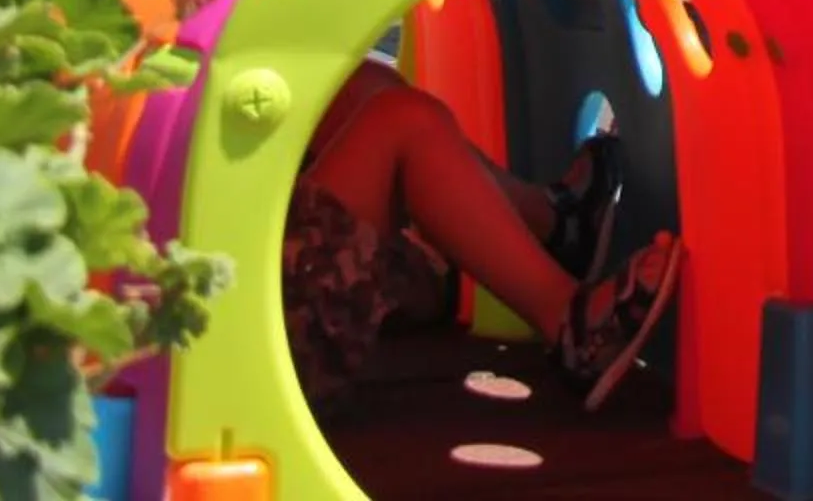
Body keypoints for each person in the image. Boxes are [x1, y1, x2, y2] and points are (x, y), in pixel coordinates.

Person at [282, 59, 685, 412]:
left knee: (364, 88)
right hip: (251, 351)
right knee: (405, 120)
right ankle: (569, 327)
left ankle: (554, 227)